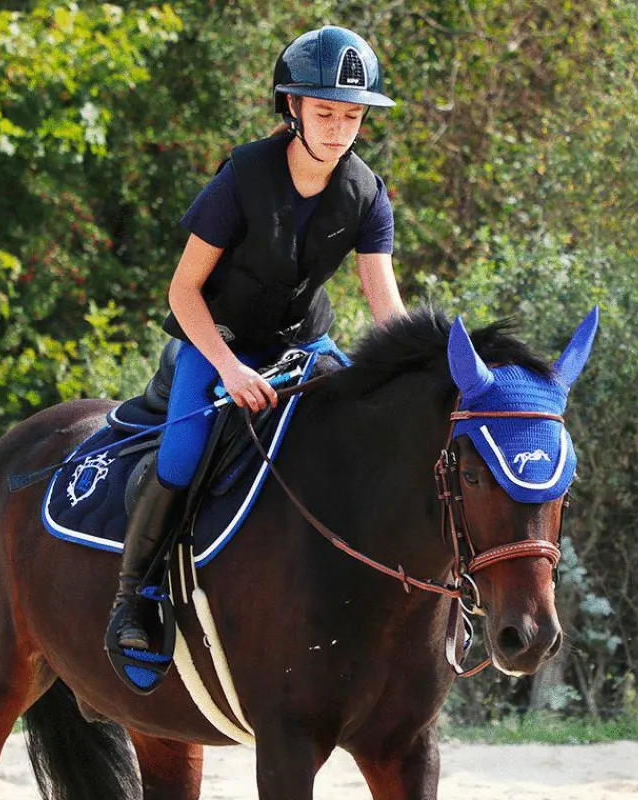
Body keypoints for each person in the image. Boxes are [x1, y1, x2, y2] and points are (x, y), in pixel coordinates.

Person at [109, 24, 407, 652]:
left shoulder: (367, 194)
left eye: (352, 115)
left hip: (304, 346)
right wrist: (230, 368)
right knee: (181, 455)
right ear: (293, 108)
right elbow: (182, 290)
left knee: (364, 439)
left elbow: (386, 307)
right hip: (216, 342)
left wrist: (423, 374)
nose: (338, 128)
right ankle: (133, 598)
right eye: (324, 111)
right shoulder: (242, 176)